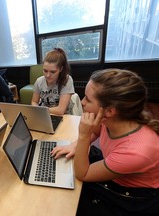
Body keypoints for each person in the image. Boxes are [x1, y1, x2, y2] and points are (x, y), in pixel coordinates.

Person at [58, 68, 159, 215]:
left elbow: (83, 174)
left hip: (130, 195)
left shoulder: (136, 151)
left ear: (109, 111)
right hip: (114, 168)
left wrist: (83, 137)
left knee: (69, 203)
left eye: (88, 99)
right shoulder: (111, 119)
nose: (82, 102)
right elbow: (98, 131)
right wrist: (74, 146)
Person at [31, 48, 75, 115]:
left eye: (53, 72)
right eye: (45, 71)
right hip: (44, 114)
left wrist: (40, 110)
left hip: (63, 116)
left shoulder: (67, 80)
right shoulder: (39, 81)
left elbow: (60, 110)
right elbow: (34, 101)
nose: (48, 75)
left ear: (61, 69)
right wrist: (38, 109)